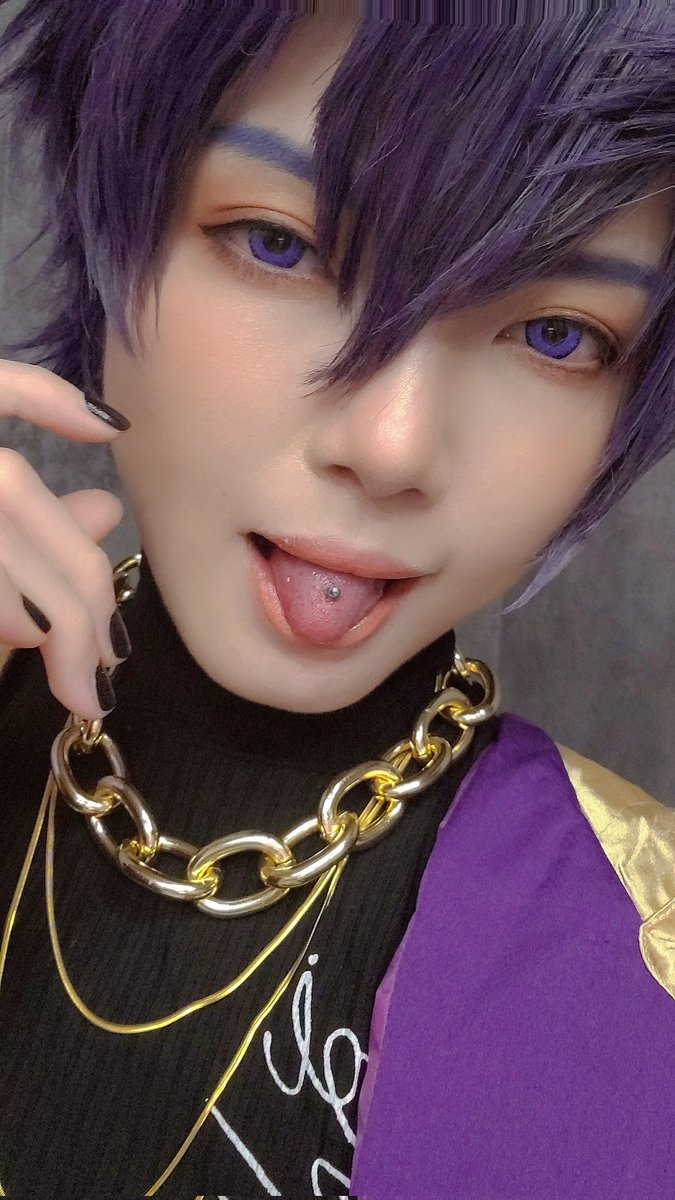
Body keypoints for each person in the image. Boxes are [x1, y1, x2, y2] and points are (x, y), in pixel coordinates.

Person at [0, 3, 672, 1196]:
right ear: (114, 215)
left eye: (557, 334)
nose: (393, 444)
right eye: (280, 245)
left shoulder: (635, 953)